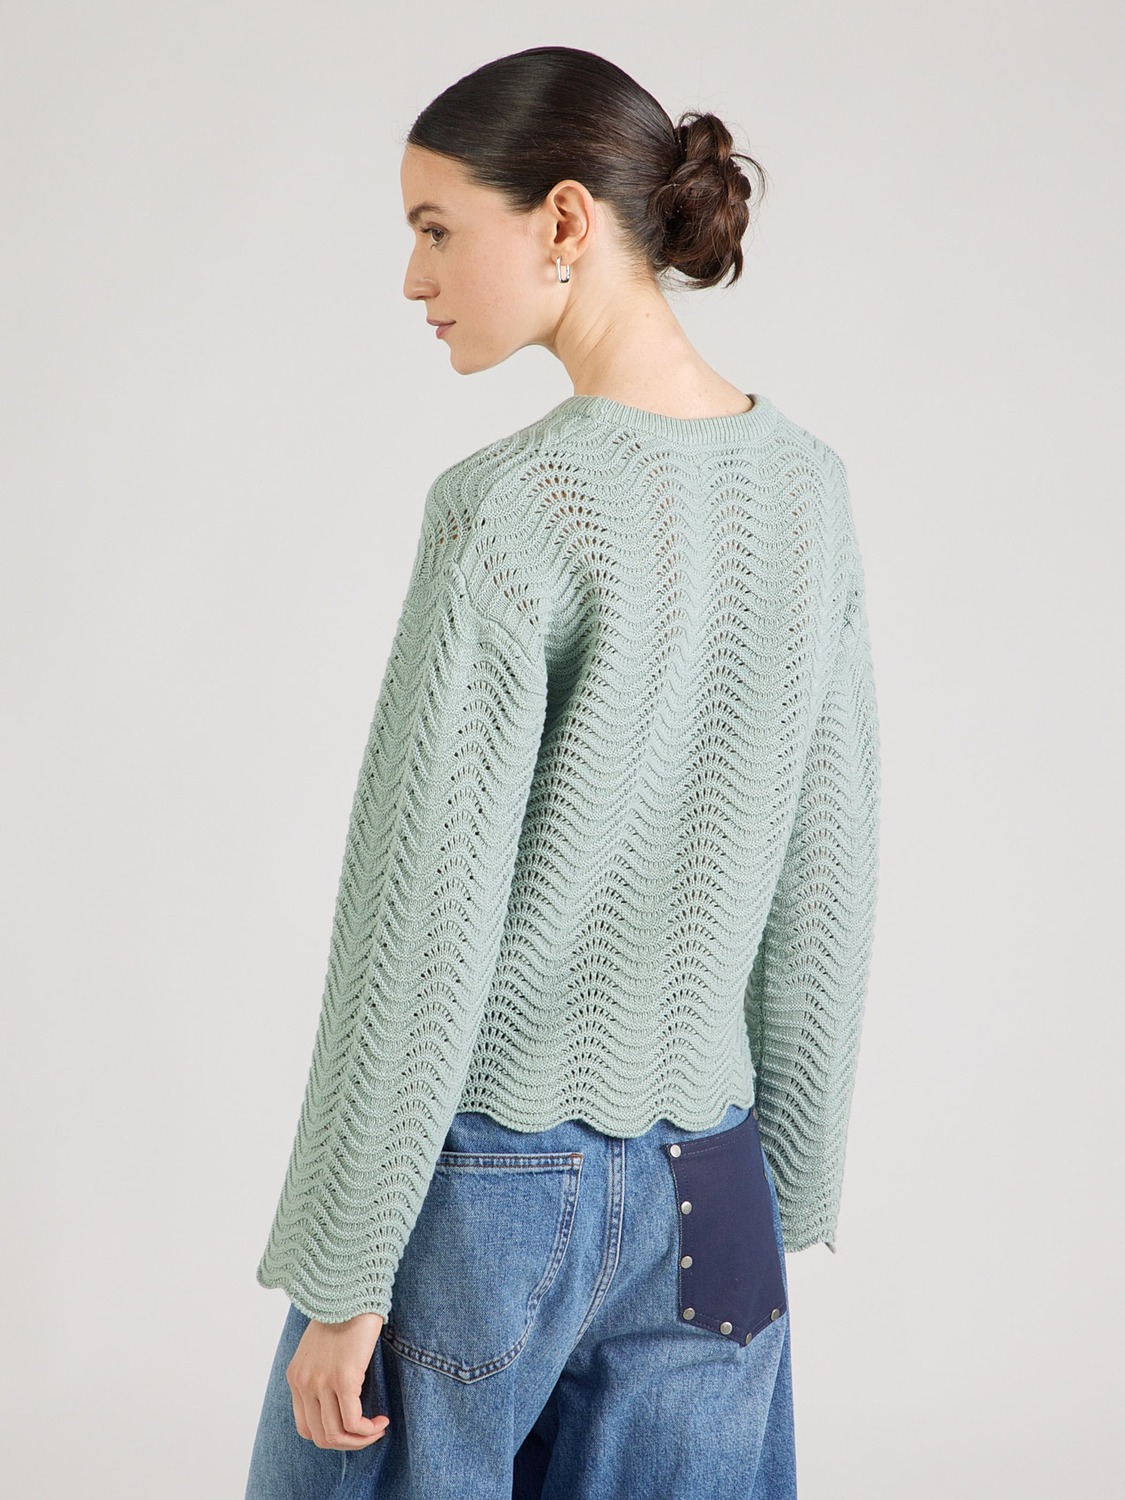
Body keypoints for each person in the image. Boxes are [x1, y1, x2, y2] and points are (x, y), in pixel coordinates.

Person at [244, 43, 880, 1500]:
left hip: (492, 1178)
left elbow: (421, 919)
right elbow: (828, 867)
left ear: (566, 219)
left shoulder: (509, 506)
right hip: (715, 1181)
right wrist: (783, 1182)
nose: (413, 279)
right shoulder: (809, 489)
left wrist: (345, 1271)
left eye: (434, 228)